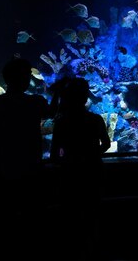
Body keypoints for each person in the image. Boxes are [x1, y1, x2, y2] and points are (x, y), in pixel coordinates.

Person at [0, 57, 53, 221]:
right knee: (31, 213)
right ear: (26, 79)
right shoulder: (35, 102)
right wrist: (57, 94)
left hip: (0, 168)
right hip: (30, 166)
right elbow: (52, 113)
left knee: (4, 213)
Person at [50, 77, 111, 259]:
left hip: (69, 173)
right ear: (85, 99)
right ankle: (94, 251)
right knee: (93, 212)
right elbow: (106, 144)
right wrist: (92, 156)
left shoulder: (62, 122)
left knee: (70, 214)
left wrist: (68, 161)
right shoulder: (95, 119)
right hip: (93, 171)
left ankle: (71, 253)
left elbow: (54, 154)